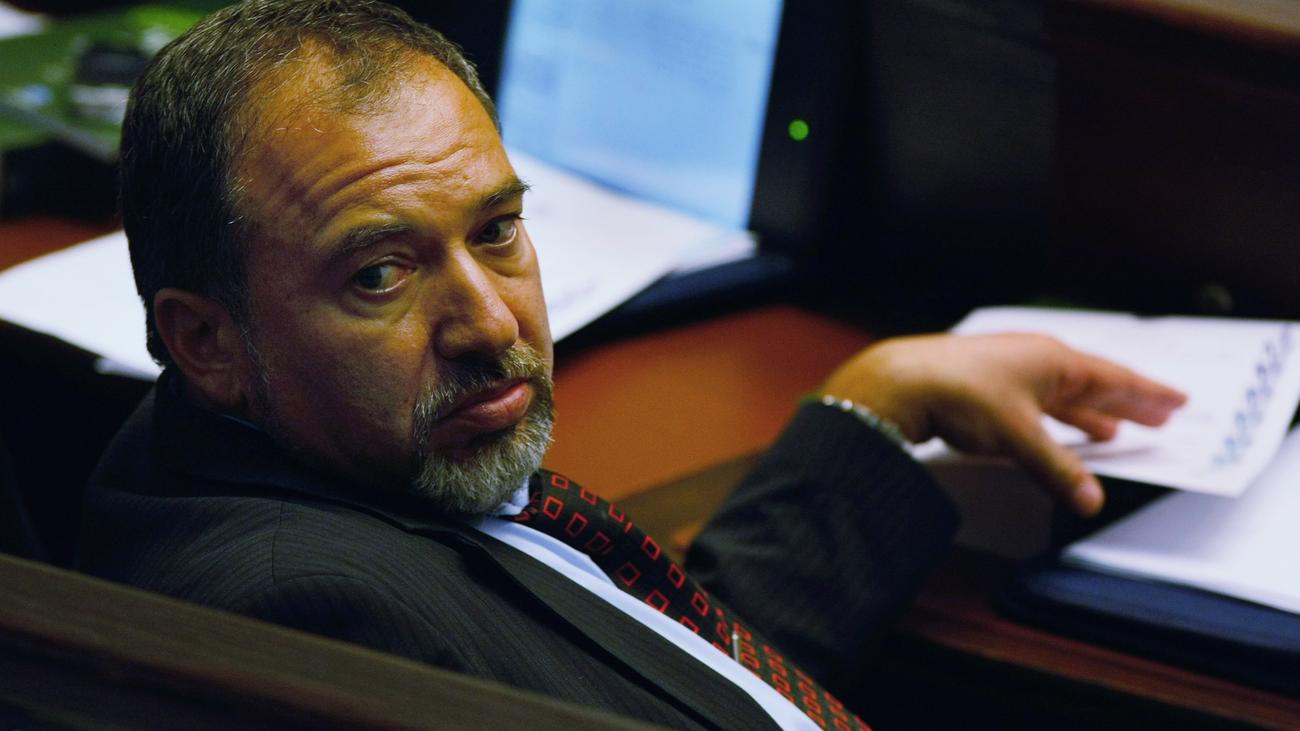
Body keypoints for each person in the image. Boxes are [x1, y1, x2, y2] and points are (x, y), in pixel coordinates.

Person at [79, 2, 1187, 728]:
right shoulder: (314, 613)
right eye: (380, 274)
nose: (487, 321)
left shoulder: (302, 458)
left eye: (497, 230)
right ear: (207, 341)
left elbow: (656, 675)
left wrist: (876, 403)